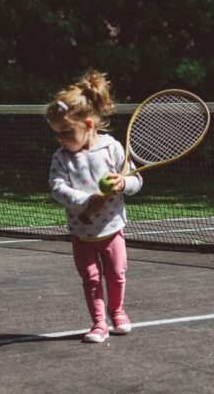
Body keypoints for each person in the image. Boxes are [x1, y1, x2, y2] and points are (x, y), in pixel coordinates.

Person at [45, 71, 142, 343]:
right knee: (90, 278)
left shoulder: (111, 149)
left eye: (66, 132)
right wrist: (85, 201)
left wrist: (123, 183)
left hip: (112, 229)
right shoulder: (62, 157)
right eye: (57, 134)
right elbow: (57, 187)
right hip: (82, 233)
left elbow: (136, 180)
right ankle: (99, 323)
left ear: (88, 124)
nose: (61, 139)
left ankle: (117, 310)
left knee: (117, 274)